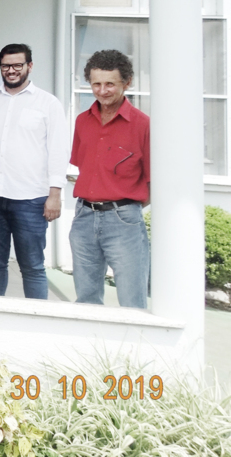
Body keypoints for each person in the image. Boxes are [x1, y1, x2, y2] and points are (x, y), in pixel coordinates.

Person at [0, 44, 67, 299]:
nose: (11, 71)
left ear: (30, 66)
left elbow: (58, 150)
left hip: (31, 199)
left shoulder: (48, 103)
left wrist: (55, 194)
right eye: (6, 65)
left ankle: (37, 322)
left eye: (18, 65)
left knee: (33, 268)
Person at [69, 49, 150, 308]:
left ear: (127, 83)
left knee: (131, 300)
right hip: (83, 217)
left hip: (123, 220)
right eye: (96, 84)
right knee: (86, 299)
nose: (102, 91)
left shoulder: (143, 125)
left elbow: (154, 180)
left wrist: (126, 209)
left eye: (110, 84)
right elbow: (84, 168)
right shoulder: (83, 121)